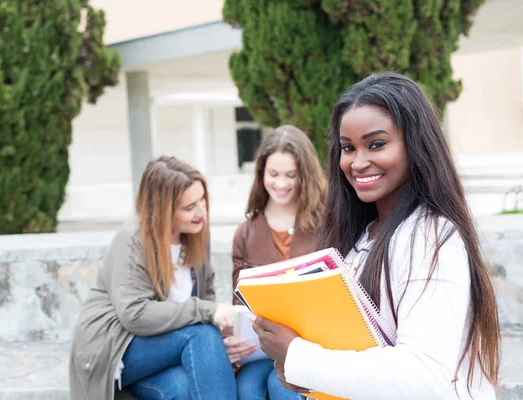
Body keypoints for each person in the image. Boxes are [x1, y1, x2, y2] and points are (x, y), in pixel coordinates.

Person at [252, 72, 501, 399]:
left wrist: (300, 358)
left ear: (415, 145)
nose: (358, 162)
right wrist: (297, 371)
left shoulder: (431, 236)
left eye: (377, 144)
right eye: (347, 148)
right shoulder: (356, 238)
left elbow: (425, 375)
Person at [69, 156, 237, 400]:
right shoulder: (133, 239)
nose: (202, 211)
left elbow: (206, 293)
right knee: (201, 334)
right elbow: (134, 314)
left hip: (164, 345)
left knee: (181, 386)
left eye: (202, 199)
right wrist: (206, 313)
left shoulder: (195, 232)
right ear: (163, 210)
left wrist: (223, 341)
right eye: (189, 207)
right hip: (116, 347)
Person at [228, 125, 327, 400]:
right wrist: (232, 341)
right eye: (273, 174)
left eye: (290, 175)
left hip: (312, 345)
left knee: (282, 386)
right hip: (263, 349)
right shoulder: (245, 234)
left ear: (304, 176)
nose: (281, 184)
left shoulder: (326, 223)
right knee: (248, 388)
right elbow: (238, 305)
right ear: (261, 174)